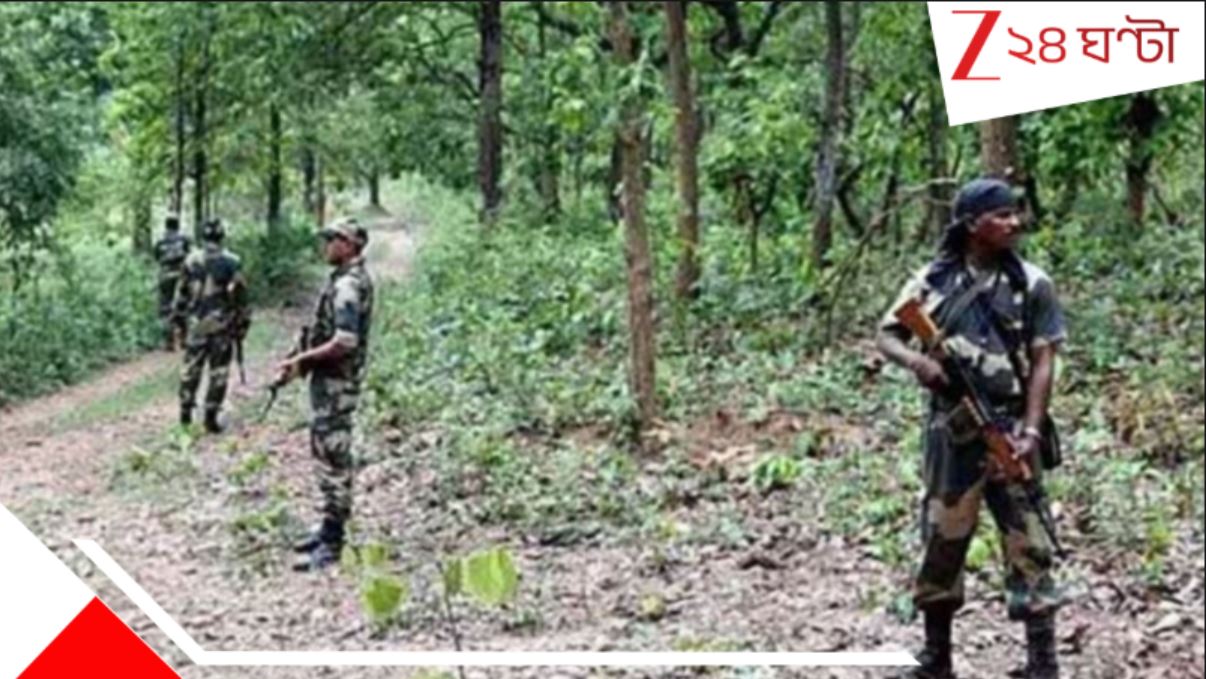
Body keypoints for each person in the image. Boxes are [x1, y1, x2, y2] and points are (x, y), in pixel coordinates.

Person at [876, 178, 1067, 679]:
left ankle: (1042, 663)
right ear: (972, 225)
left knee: (1029, 543)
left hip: (1009, 430)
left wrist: (1030, 429)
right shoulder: (932, 283)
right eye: (1001, 216)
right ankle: (937, 658)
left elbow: (1044, 360)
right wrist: (919, 365)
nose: (1014, 223)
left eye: (1014, 214)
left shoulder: (1032, 283)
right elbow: (887, 334)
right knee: (943, 541)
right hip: (951, 434)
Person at [274, 218, 374, 572]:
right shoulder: (343, 279)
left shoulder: (348, 285)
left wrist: (303, 359)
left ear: (349, 244)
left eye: (333, 239)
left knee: (333, 457)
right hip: (330, 384)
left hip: (337, 386)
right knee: (324, 454)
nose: (327, 245)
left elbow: (345, 340)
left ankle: (333, 542)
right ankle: (328, 528)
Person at [172, 217, 250, 433]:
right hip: (221, 326)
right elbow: (241, 296)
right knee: (219, 372)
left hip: (196, 325)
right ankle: (210, 417)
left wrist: (178, 321)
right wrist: (243, 324)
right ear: (221, 236)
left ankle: (185, 414)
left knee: (190, 370)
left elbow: (181, 294)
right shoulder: (232, 262)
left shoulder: (190, 260)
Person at [153, 213, 192, 350]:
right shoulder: (184, 239)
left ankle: (169, 341)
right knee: (183, 305)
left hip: (165, 276)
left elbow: (157, 258)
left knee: (165, 307)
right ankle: (184, 339)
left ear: (166, 225)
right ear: (178, 225)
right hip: (182, 276)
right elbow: (189, 256)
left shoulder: (160, 241)